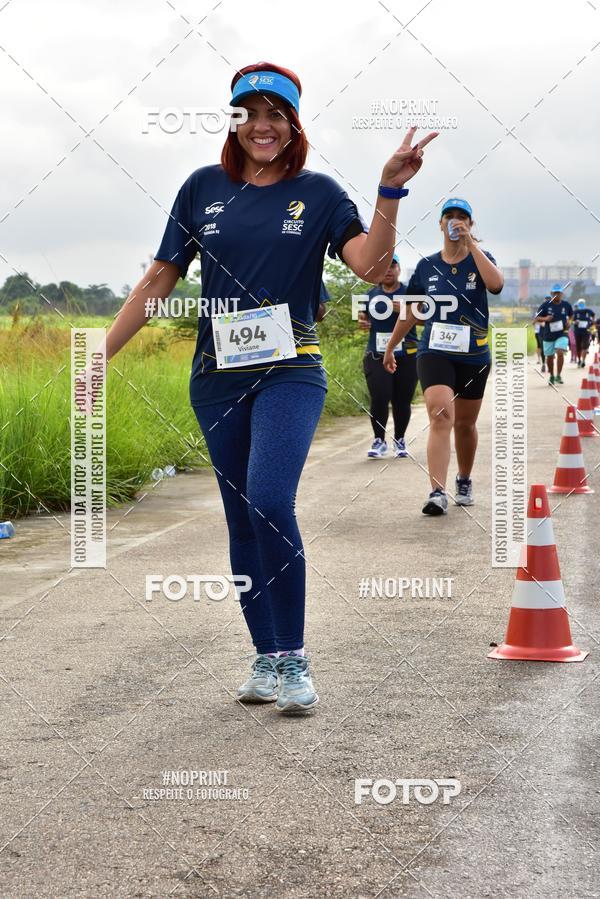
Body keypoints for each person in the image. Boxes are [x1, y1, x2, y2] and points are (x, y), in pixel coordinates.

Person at [100, 62, 438, 712]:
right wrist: (99, 358)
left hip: (292, 368)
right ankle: (264, 656)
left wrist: (389, 190)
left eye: (275, 114)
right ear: (233, 121)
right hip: (217, 378)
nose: (262, 125)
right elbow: (157, 282)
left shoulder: (319, 193)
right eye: (249, 113)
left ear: (292, 124)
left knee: (269, 498)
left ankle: (294, 658)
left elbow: (370, 265)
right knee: (240, 518)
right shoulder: (201, 188)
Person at [383, 197, 503, 515]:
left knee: (464, 424)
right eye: (448, 216)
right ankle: (437, 491)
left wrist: (470, 244)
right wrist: (392, 345)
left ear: (469, 224)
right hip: (434, 350)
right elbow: (409, 313)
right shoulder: (426, 266)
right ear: (439, 223)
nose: (454, 220)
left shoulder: (481, 259)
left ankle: (464, 478)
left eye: (462, 216)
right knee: (439, 414)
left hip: (474, 355)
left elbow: (496, 285)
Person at [358, 255, 419, 458]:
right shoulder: (369, 295)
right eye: (384, 266)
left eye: (392, 266)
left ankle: (400, 440)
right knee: (380, 397)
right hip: (377, 354)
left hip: (407, 354)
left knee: (402, 400)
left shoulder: (410, 293)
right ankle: (379, 440)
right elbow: (362, 317)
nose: (388, 270)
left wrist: (405, 311)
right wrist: (362, 321)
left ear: (399, 269)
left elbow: (424, 320)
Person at [535, 284, 573, 385]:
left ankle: (558, 375)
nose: (557, 295)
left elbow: (571, 315)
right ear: (552, 294)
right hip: (548, 335)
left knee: (560, 352)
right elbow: (537, 318)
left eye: (559, 293)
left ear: (561, 294)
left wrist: (570, 322)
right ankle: (551, 375)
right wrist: (545, 319)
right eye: (555, 293)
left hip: (562, 333)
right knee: (550, 357)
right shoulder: (546, 305)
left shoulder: (566, 305)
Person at [571, 298, 595, 368]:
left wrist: (592, 321)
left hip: (586, 332)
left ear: (584, 303)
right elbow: (571, 321)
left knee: (585, 346)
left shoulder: (588, 311)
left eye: (582, 303)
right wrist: (575, 322)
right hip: (577, 332)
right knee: (578, 347)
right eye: (580, 303)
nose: (581, 304)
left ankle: (583, 361)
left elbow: (593, 315)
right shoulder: (575, 312)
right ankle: (579, 360)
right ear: (578, 304)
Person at [534, 294, 549, 373]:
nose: (547, 301)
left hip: (550, 331)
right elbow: (535, 320)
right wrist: (542, 322)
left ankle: (550, 364)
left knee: (550, 349)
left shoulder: (552, 309)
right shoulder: (541, 309)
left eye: (548, 300)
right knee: (542, 348)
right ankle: (543, 363)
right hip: (541, 332)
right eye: (546, 300)